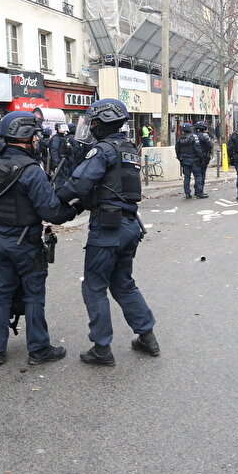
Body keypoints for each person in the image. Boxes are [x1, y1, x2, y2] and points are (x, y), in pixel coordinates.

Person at [56, 98, 158, 366]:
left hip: (108, 229)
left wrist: (56, 197)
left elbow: (79, 183)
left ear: (102, 123)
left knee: (94, 286)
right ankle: (147, 336)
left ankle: (102, 349)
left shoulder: (103, 150)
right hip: (129, 225)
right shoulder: (129, 149)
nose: (92, 127)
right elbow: (111, 188)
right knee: (123, 283)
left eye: (94, 123)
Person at [0, 111, 78, 366]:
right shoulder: (31, 171)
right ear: (24, 135)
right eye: (35, 134)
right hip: (24, 243)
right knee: (33, 295)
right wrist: (73, 209)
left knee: (1, 294)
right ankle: (38, 349)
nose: (38, 139)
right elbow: (51, 212)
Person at [175, 121, 203, 199]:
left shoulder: (179, 138)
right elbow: (197, 149)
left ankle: (187, 193)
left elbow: (177, 150)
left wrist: (180, 159)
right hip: (194, 160)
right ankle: (198, 192)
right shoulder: (193, 137)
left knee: (187, 177)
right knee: (197, 176)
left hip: (184, 160)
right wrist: (201, 158)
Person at [192, 120, 213, 198]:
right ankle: (199, 192)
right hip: (203, 157)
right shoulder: (205, 136)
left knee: (197, 175)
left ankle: (196, 190)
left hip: (194, 158)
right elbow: (210, 145)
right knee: (201, 175)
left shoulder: (192, 135)